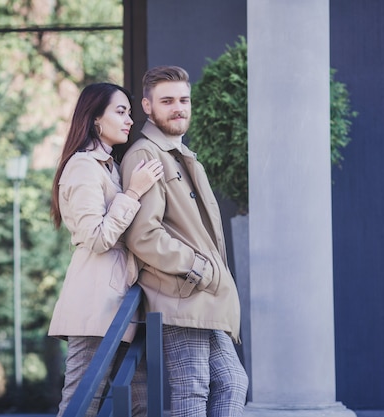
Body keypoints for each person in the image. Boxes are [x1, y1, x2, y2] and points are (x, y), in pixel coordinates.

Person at [120, 66, 248, 416]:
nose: (178, 107)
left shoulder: (183, 156)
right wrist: (198, 268)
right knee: (192, 391)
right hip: (181, 294)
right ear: (147, 106)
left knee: (233, 382)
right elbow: (143, 235)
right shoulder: (145, 156)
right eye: (167, 101)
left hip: (204, 297)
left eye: (183, 100)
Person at [48, 82, 163, 417]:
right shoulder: (83, 166)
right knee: (82, 403)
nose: (130, 119)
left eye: (129, 112)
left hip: (122, 304)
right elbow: (96, 237)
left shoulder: (109, 167)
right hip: (94, 305)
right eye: (121, 111)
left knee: (140, 402)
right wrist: (133, 193)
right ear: (96, 118)